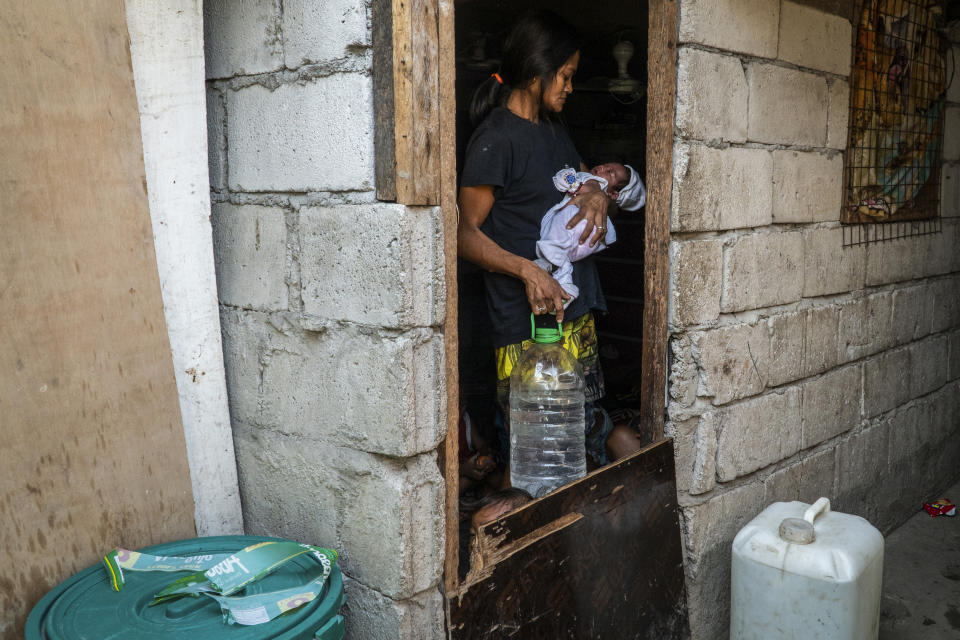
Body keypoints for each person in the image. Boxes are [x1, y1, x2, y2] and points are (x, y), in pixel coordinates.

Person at [458, 10, 628, 469]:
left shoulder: (555, 130)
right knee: (541, 450)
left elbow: (574, 185)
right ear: (537, 72)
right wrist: (526, 269)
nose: (570, 87)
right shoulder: (495, 139)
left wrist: (594, 191)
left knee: (589, 431)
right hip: (525, 326)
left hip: (575, 313)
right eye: (566, 76)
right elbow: (463, 234)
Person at [535, 163, 646, 305]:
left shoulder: (593, 184)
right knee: (563, 256)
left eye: (610, 172)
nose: (602, 169)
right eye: (605, 165)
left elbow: (569, 181)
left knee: (561, 249)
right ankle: (563, 283)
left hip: (576, 230)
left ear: (614, 194)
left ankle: (555, 272)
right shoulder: (592, 183)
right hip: (572, 234)